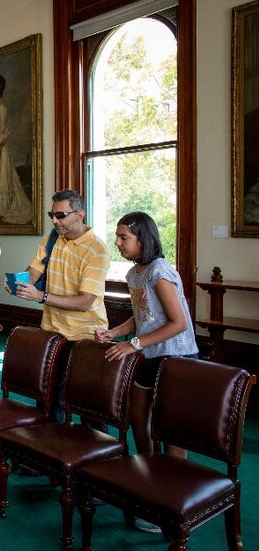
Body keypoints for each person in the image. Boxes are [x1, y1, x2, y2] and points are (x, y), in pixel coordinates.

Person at [95, 211, 198, 534]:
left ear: (143, 238)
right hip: (150, 353)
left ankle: (173, 500)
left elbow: (178, 322)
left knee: (170, 429)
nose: (118, 242)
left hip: (177, 357)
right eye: (118, 235)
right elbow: (143, 316)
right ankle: (149, 479)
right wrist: (116, 333)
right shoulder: (134, 273)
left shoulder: (159, 271)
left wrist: (134, 344)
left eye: (124, 237)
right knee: (138, 417)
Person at [11, 189, 109, 424]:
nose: (55, 220)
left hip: (86, 336)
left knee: (88, 405)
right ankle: (49, 453)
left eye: (61, 215)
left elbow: (86, 301)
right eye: (51, 215)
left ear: (80, 215)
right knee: (48, 399)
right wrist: (18, 283)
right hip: (52, 332)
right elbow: (33, 271)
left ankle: (94, 457)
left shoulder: (97, 249)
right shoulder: (52, 238)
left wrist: (41, 297)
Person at [0, 75, 33, 224]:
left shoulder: (3, 110)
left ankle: (0, 207)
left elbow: (2, 131)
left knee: (0, 174)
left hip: (0, 147)